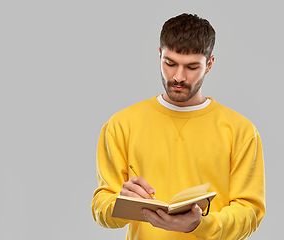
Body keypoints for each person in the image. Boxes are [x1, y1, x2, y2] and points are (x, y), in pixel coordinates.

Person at [92, 13, 265, 240]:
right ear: (159, 55)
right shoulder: (121, 124)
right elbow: (100, 207)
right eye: (170, 63)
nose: (178, 76)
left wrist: (200, 225)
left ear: (209, 64)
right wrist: (122, 203)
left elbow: (250, 212)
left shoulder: (240, 130)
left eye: (192, 67)